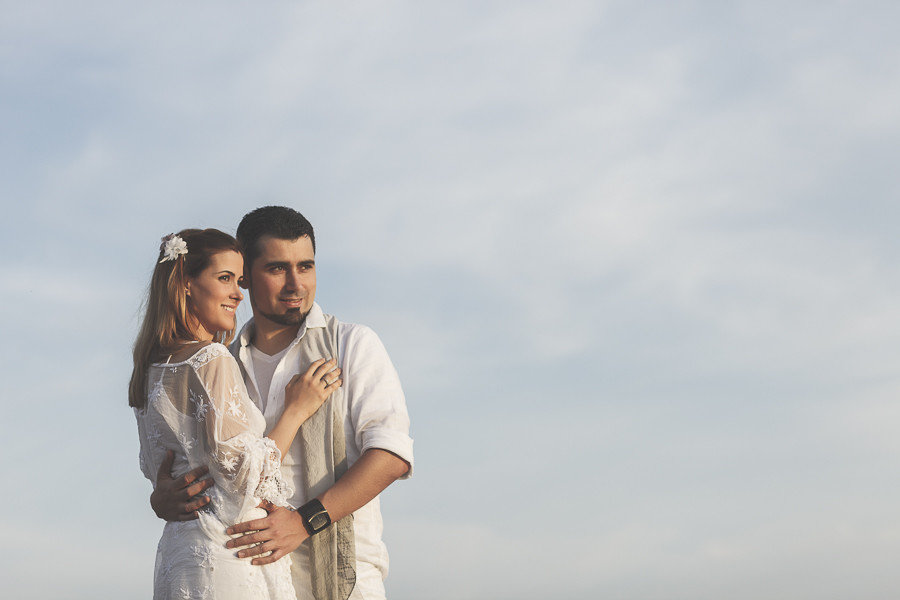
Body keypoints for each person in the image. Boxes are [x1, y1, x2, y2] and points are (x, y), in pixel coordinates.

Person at [150, 207, 414, 600]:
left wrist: (304, 522)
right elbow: (199, 467)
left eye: (305, 267)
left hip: (341, 578)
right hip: (247, 576)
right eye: (277, 269)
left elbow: (391, 456)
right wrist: (164, 497)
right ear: (246, 276)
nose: (296, 284)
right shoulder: (222, 360)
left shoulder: (350, 344)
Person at [131, 228, 344, 600]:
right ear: (184, 283)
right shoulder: (211, 359)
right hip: (230, 551)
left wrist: (157, 500)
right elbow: (243, 480)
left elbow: (166, 479)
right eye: (225, 278)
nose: (237, 294)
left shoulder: (148, 373)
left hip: (178, 555)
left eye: (239, 280)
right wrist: (295, 412)